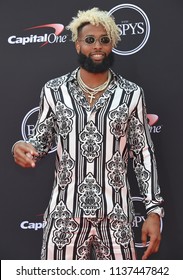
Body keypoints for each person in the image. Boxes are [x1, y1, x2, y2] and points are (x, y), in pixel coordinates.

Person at [12, 7, 164, 260]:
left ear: (112, 44)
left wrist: (153, 211)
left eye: (104, 40)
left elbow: (143, 154)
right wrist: (21, 146)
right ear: (77, 45)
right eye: (90, 40)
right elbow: (39, 142)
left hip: (116, 216)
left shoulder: (131, 94)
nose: (97, 46)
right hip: (64, 215)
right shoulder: (54, 90)